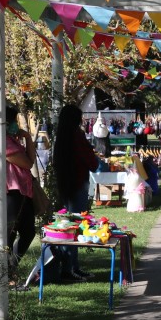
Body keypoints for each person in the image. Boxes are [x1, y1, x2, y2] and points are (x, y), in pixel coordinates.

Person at [53, 104, 99, 281]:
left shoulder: (61, 136)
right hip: (77, 183)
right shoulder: (76, 136)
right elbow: (91, 162)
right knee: (74, 227)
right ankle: (69, 269)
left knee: (69, 225)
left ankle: (72, 267)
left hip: (66, 184)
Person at [5, 104, 38, 279]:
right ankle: (6, 273)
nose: (14, 124)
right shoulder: (2, 142)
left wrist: (28, 138)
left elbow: (31, 160)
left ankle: (11, 267)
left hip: (24, 191)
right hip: (11, 191)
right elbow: (26, 163)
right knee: (9, 233)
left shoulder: (12, 139)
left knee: (28, 231)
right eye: (12, 120)